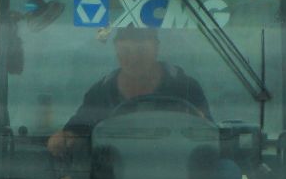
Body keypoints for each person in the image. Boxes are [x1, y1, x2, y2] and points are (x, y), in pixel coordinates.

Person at [45, 26, 211, 158]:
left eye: (141, 51)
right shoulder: (101, 92)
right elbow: (79, 128)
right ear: (116, 51)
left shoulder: (186, 88)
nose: (133, 58)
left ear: (156, 49)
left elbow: (208, 134)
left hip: (182, 174)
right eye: (126, 51)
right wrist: (65, 137)